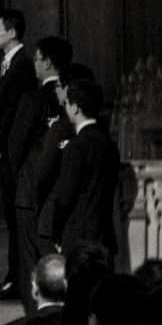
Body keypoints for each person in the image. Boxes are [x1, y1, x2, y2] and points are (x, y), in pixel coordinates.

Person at [6, 36, 73, 306]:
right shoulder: (73, 97)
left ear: (47, 62)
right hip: (63, 188)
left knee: (30, 260)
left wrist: (23, 176)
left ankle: (35, 317)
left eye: (37, 58)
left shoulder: (33, 99)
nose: (34, 63)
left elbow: (15, 145)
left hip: (31, 188)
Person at [0, 9, 35, 300]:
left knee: (17, 218)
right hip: (5, 148)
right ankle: (13, 277)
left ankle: (18, 279)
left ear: (12, 32)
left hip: (14, 151)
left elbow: (15, 111)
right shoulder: (10, 64)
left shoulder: (23, 65)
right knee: (10, 218)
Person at [38, 77, 120, 256]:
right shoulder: (109, 144)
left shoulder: (76, 146)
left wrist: (56, 232)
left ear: (75, 107)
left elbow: (65, 197)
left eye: (67, 103)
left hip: (78, 234)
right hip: (104, 233)